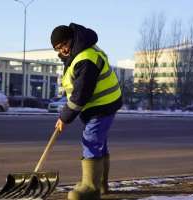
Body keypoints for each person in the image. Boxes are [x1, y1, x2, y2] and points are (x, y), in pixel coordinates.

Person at [51, 23, 122, 200]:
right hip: (99, 104)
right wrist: (65, 116)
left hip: (103, 105)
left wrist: (64, 118)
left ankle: (91, 188)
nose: (63, 50)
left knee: (90, 139)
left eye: (64, 45)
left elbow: (80, 95)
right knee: (99, 143)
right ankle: (101, 185)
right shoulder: (77, 55)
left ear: (72, 39)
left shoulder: (85, 58)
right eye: (58, 48)